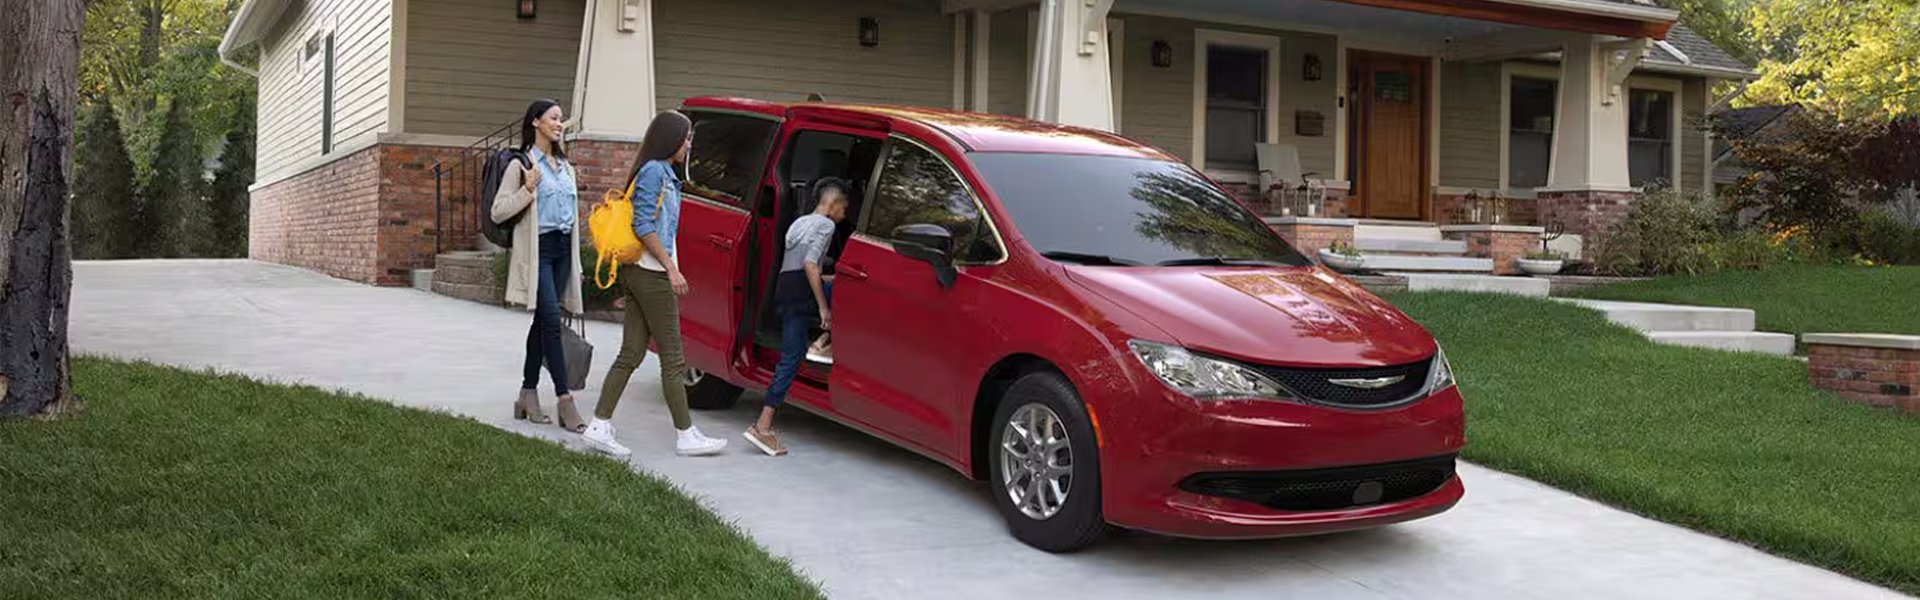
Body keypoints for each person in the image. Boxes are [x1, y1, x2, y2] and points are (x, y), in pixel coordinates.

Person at [584, 110, 728, 458]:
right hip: (651, 274)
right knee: (674, 358)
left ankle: (599, 425)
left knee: (631, 352)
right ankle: (686, 434)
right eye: (687, 137)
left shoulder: (662, 172)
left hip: (641, 273)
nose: (690, 144)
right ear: (672, 139)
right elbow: (644, 225)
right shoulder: (654, 173)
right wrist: (671, 268)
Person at [494, 99, 588, 434]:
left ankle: (527, 393)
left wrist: (576, 262)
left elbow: (572, 222)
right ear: (536, 122)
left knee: (543, 322)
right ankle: (565, 400)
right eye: (553, 118)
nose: (559, 124)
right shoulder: (521, 164)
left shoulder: (566, 168)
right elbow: (499, 211)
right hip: (539, 253)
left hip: (563, 252)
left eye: (561, 119)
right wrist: (528, 189)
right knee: (550, 322)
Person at [744, 178, 849, 457]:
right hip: (803, 290)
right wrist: (823, 308)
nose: (845, 214)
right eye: (844, 207)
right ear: (833, 203)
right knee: (848, 288)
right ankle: (826, 340)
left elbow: (799, 266)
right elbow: (810, 264)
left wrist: (827, 281)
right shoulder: (826, 225)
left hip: (784, 288)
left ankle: (763, 425)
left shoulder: (799, 222)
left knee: (790, 358)